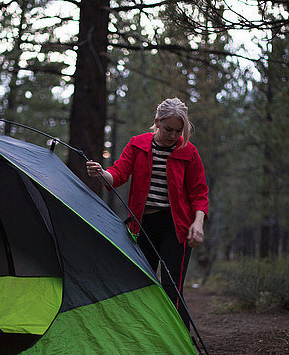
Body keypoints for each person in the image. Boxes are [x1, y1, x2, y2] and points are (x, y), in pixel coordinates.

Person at [86, 97, 209, 330]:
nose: (174, 135)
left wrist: (198, 223)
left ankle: (181, 345)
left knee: (172, 287)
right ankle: (140, 337)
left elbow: (200, 193)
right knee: (141, 284)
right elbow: (118, 174)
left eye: (178, 131)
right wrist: (102, 173)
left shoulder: (188, 152)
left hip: (176, 227)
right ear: (157, 122)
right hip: (143, 226)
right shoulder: (138, 144)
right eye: (168, 129)